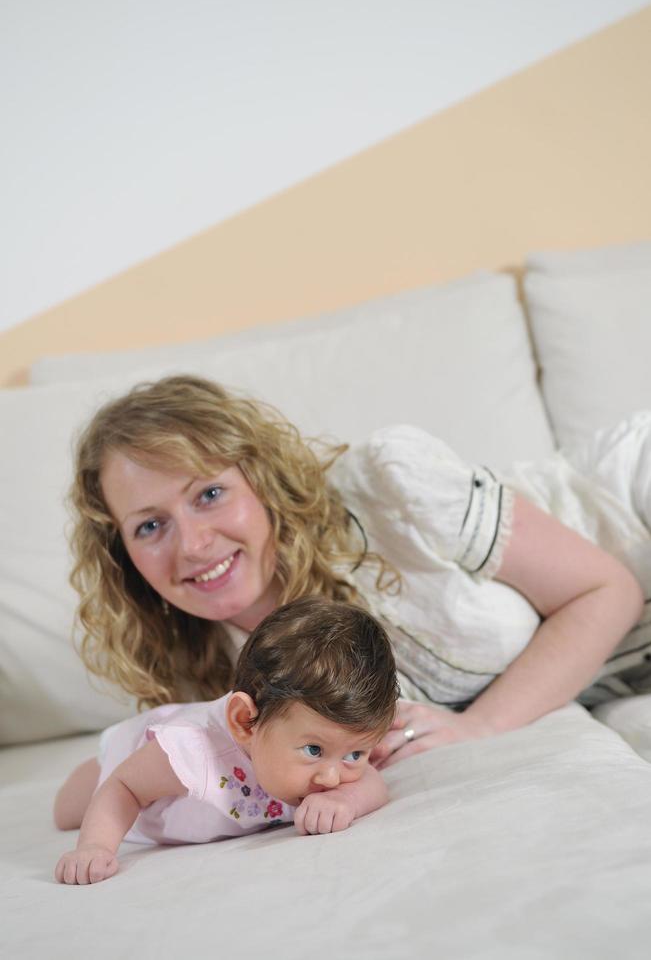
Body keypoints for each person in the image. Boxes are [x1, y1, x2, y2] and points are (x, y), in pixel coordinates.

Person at [69, 374, 647, 768]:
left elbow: (607, 590)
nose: (192, 545)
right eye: (150, 526)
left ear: (260, 479)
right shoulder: (210, 678)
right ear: (122, 554)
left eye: (210, 493)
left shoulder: (388, 486)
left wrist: (483, 727)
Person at [54, 597, 399, 885]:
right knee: (67, 810)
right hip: (126, 765)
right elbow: (123, 786)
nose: (332, 779)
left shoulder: (324, 767)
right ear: (245, 723)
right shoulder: (191, 752)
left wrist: (347, 802)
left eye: (354, 753)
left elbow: (373, 782)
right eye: (314, 750)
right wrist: (94, 847)